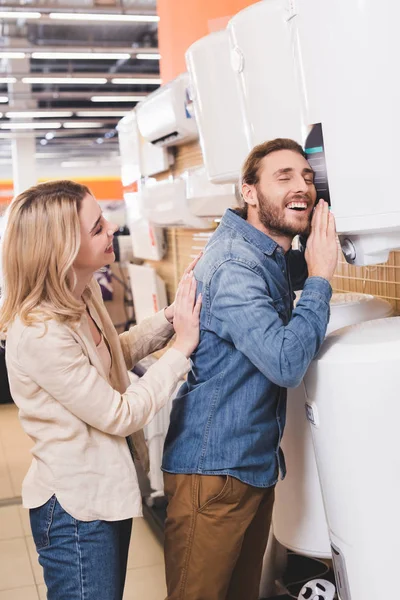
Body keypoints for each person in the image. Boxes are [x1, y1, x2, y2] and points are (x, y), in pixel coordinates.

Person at [0, 179, 202, 600]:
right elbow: (119, 413)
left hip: (105, 493)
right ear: (62, 251)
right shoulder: (40, 332)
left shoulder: (80, 293)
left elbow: (113, 354)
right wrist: (181, 349)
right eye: (96, 228)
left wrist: (169, 318)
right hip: (76, 512)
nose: (111, 229)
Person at [162, 138, 339, 600]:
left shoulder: (263, 254)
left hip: (246, 468)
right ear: (250, 192)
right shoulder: (238, 264)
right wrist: (320, 275)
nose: (301, 185)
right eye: (283, 177)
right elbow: (284, 362)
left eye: (306, 176)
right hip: (214, 472)